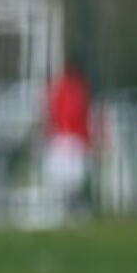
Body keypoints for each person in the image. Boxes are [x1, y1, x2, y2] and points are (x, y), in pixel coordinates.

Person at [43, 63, 92, 217]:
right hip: (65, 138)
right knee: (64, 178)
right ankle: (64, 208)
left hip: (68, 138)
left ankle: (69, 208)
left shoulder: (71, 89)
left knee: (70, 179)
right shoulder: (71, 89)